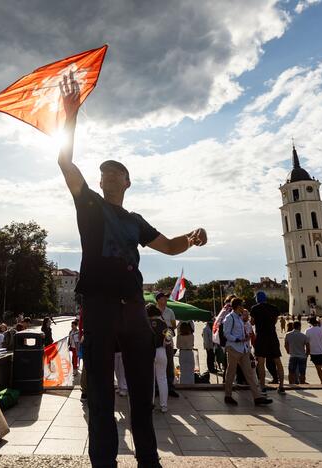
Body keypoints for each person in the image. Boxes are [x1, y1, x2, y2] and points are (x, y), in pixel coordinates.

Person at [58, 72, 207, 468]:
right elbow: (64, 161)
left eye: (114, 172)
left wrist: (191, 236)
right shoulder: (88, 203)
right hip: (100, 303)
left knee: (142, 393)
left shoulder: (135, 220)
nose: (107, 175)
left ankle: (148, 460)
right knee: (103, 396)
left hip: (133, 308)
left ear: (127, 181)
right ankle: (104, 462)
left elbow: (170, 246)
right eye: (103, 171)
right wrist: (69, 115)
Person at [223, 298, 271, 406]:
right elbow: (226, 334)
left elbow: (239, 331)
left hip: (243, 348)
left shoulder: (239, 318)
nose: (243, 307)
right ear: (237, 306)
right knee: (231, 372)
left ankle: (257, 397)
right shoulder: (229, 318)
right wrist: (238, 339)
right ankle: (228, 395)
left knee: (249, 373)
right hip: (233, 348)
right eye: (242, 305)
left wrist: (245, 337)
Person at [250, 291, 285, 394]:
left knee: (261, 362)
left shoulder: (254, 308)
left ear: (257, 299)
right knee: (277, 361)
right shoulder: (274, 308)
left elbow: (252, 322)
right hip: (272, 336)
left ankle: (262, 386)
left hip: (261, 337)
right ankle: (281, 386)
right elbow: (275, 321)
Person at [155, 292, 179, 398]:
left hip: (168, 338)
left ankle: (170, 387)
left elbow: (173, 326)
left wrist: (168, 334)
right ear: (158, 300)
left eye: (166, 298)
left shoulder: (170, 311)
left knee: (169, 364)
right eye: (163, 298)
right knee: (155, 365)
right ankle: (155, 388)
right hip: (156, 340)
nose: (165, 300)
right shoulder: (152, 310)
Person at [147, 304, 170, 413]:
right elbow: (169, 338)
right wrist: (165, 342)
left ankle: (150, 403)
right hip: (161, 351)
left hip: (148, 352)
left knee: (150, 380)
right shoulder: (163, 323)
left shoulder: (145, 323)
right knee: (162, 379)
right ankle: (164, 405)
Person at [285, 320, 310, 384]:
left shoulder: (288, 335)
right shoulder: (304, 336)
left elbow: (286, 345)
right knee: (302, 373)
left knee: (291, 372)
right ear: (300, 326)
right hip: (302, 356)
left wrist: (288, 351)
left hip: (293, 355)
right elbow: (308, 347)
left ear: (293, 326)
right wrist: (306, 354)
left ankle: (291, 384)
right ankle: (302, 384)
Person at [176, 320, 195, 385]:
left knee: (183, 370)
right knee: (191, 370)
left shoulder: (179, 336)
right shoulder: (192, 336)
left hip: (182, 352)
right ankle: (191, 383)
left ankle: (183, 383)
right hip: (189, 352)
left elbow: (178, 346)